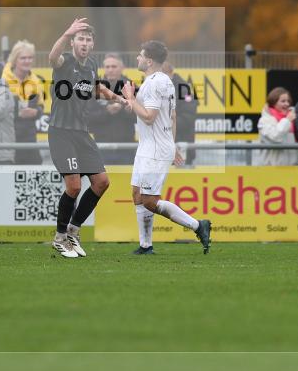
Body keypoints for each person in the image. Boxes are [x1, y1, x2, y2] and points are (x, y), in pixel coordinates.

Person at [122, 41, 211, 256]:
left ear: (149, 60)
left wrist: (131, 99)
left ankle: (198, 226)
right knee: (136, 194)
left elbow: (150, 117)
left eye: (140, 55)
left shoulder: (155, 83)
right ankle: (146, 246)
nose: (137, 59)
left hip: (154, 149)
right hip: (148, 146)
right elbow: (171, 116)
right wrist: (172, 145)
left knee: (150, 201)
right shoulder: (161, 81)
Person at [47, 18, 126, 258]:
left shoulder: (91, 64)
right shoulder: (65, 61)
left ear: (92, 44)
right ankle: (60, 238)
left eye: (88, 39)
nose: (84, 42)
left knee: (102, 182)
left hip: (82, 132)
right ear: (73, 42)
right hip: (61, 132)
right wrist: (65, 32)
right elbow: (52, 57)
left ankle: (73, 231)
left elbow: (96, 87)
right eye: (80, 38)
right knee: (74, 186)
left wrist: (120, 99)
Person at [89, 53, 136, 165]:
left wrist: (126, 112)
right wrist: (107, 112)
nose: (110, 70)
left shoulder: (131, 87)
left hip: (126, 148)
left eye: (114, 66)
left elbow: (142, 117)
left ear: (122, 68)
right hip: (101, 147)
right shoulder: (94, 88)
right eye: (107, 67)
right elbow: (87, 116)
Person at [3, 40, 45, 165]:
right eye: (23, 58)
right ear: (15, 60)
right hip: (8, 139)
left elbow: (41, 107)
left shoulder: (36, 81)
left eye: (30, 58)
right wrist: (18, 114)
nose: (27, 61)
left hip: (29, 138)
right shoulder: (3, 80)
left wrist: (36, 112)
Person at [162, 62, 197, 165]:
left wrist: (163, 124)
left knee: (183, 179)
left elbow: (188, 118)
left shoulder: (184, 89)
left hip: (180, 144)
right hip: (160, 148)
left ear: (170, 72)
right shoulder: (156, 89)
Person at [257, 87, 298, 166]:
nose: (287, 104)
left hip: (291, 169)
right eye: (283, 101)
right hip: (271, 170)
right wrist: (287, 120)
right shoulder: (265, 120)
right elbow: (275, 137)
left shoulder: (292, 119)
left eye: (288, 101)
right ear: (273, 102)